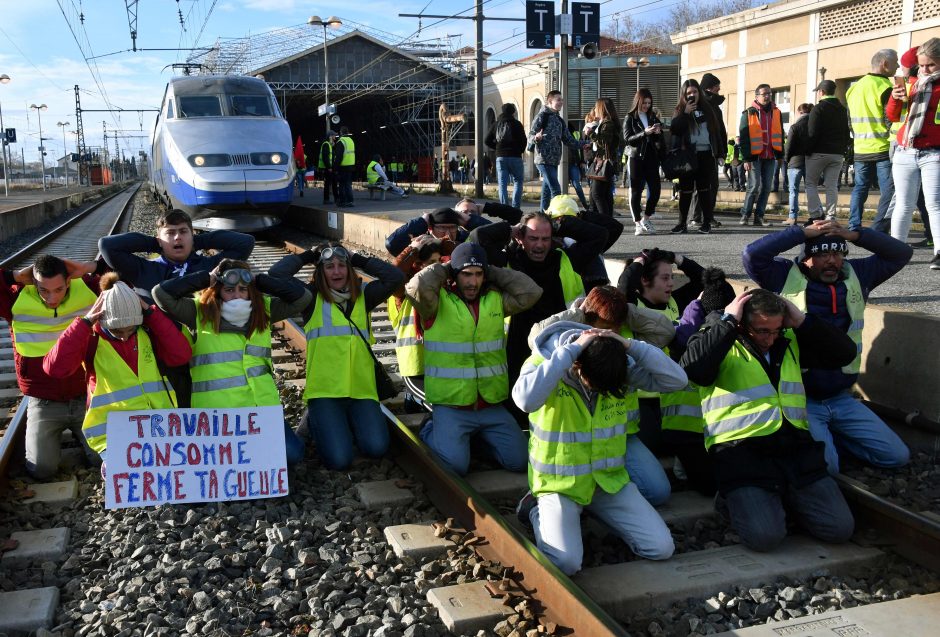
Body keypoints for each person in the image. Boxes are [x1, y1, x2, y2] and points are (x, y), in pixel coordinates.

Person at [680, 289, 857, 552]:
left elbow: (844, 354)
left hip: (795, 449)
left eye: (776, 330)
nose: (770, 339)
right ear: (741, 322)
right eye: (762, 331)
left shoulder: (786, 339)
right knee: (765, 538)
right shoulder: (719, 337)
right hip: (742, 452)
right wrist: (727, 322)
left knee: (839, 529)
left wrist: (802, 321)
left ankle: (780, 499)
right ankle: (732, 499)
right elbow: (692, 370)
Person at [743, 220, 912, 474]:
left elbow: (901, 253)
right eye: (822, 254)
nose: (831, 261)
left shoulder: (859, 274)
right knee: (827, 469)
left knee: (897, 456)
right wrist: (801, 233)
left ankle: (833, 438)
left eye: (837, 253)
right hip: (801, 399)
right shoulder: (782, 276)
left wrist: (855, 235)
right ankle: (822, 443)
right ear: (806, 258)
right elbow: (752, 254)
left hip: (841, 397)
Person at [513, 325, 680, 574]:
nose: (601, 391)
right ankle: (535, 509)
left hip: (608, 483)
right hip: (560, 486)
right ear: (578, 367)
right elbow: (524, 400)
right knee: (566, 564)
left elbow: (677, 379)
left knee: (661, 548)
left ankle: (590, 513)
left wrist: (629, 345)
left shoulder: (615, 365)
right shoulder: (545, 362)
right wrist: (571, 351)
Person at [527, 286, 679, 506]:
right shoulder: (569, 337)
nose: (613, 332)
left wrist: (627, 311)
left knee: (658, 492)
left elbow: (666, 331)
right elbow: (536, 338)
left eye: (618, 326)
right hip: (575, 439)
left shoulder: (623, 336)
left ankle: (612, 495)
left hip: (620, 435)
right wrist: (579, 311)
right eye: (607, 326)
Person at [152, 259, 312, 464]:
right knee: (224, 460)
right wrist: (205, 278)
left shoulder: (263, 310)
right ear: (217, 290)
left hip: (259, 409)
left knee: (293, 454)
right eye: (229, 289)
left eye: (243, 289)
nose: (237, 295)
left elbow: (303, 298)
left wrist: (259, 279)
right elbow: (161, 294)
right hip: (215, 416)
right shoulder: (199, 312)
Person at [406, 243, 541, 475]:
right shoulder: (437, 302)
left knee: (519, 461)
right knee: (456, 466)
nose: (472, 282)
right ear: (455, 275)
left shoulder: (495, 300)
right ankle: (431, 428)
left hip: (490, 403)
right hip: (452, 405)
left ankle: (474, 442)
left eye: (478, 275)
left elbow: (531, 291)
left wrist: (490, 269)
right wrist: (449, 266)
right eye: (466, 274)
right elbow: (416, 286)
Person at [99, 208, 254, 407]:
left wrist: (198, 241)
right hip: (163, 359)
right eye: (170, 233)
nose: (177, 238)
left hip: (207, 356)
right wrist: (154, 243)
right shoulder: (144, 269)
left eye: (183, 232)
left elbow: (244, 242)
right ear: (159, 239)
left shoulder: (210, 266)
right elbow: (107, 245)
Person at [269, 243, 404, 470]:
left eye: (342, 266)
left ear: (350, 270)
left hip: (361, 391)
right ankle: (318, 418)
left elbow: (396, 277)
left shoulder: (365, 296)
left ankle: (337, 423)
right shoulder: (310, 298)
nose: (337, 272)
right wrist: (310, 254)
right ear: (320, 272)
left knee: (376, 448)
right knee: (339, 460)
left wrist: (358, 258)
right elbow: (277, 275)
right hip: (326, 393)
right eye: (329, 266)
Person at [43, 273, 190, 459]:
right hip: (113, 436)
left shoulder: (146, 332)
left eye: (130, 329)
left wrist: (152, 315)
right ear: (102, 319)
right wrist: (85, 323)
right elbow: (54, 369)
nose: (124, 336)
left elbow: (181, 355)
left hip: (159, 428)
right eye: (116, 330)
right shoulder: (91, 339)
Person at [468, 209, 609, 394]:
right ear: (520, 238)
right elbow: (477, 238)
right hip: (516, 346)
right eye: (533, 238)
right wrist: (510, 229)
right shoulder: (507, 260)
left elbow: (600, 235)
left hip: (558, 346)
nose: (540, 245)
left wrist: (557, 225)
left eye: (545, 238)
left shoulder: (565, 259)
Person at [2, 255, 103, 479]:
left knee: (102, 459)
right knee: (42, 470)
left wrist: (89, 267)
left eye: (58, 289)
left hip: (86, 396)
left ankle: (82, 441)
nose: (51, 297)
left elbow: (129, 274)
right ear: (33, 283)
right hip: (44, 400)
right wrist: (14, 275)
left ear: (68, 281)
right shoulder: (16, 296)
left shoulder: (87, 288)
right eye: (44, 290)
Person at [617, 249, 705, 455]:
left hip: (670, 393)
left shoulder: (675, 302)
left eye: (672, 278)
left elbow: (704, 281)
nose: (671, 284)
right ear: (645, 280)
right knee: (654, 446)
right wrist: (639, 261)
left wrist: (677, 258)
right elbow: (623, 288)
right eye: (665, 278)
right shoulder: (631, 306)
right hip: (643, 397)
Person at [887, 37, 940, 270]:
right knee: (903, 204)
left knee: (934, 204)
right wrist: (894, 99)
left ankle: (939, 252)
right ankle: (895, 251)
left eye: (931, 65)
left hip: (934, 153)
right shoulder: (911, 82)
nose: (924, 69)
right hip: (905, 150)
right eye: (922, 65)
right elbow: (892, 115)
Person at [389, 235, 444, 412]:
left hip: (440, 364)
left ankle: (411, 409)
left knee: (417, 404)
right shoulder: (403, 292)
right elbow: (393, 274)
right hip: (415, 367)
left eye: (439, 261)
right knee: (438, 406)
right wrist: (412, 249)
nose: (438, 267)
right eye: (432, 262)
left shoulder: (443, 288)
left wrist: (445, 244)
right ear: (419, 265)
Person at [846, 49, 899, 232]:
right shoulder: (885, 87)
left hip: (861, 148)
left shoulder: (854, 88)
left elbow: (850, 121)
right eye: (896, 62)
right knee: (889, 191)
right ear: (885, 64)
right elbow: (890, 118)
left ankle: (854, 225)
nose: (898, 66)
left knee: (860, 188)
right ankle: (880, 228)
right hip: (882, 148)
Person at [670, 79, 723, 234]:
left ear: (699, 92)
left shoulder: (708, 109)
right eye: (688, 93)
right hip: (688, 155)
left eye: (695, 92)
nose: (692, 95)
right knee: (685, 191)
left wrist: (720, 153)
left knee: (704, 190)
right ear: (684, 95)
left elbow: (716, 132)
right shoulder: (680, 110)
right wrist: (686, 113)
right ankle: (682, 223)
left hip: (706, 154)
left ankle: (706, 222)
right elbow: (675, 129)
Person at [384, 199, 522, 258]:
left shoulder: (465, 239)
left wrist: (472, 219)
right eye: (443, 228)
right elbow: (392, 244)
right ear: (431, 228)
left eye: (452, 228)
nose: (448, 234)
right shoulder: (423, 243)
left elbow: (496, 237)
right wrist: (422, 221)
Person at [739, 84, 785, 227]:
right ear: (757, 96)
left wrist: (780, 155)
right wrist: (746, 158)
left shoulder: (776, 112)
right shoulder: (748, 113)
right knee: (753, 186)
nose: (767, 96)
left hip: (771, 156)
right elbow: (744, 137)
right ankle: (745, 215)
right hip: (755, 156)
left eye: (769, 94)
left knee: (766, 187)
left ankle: (759, 216)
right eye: (764, 94)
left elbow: (780, 133)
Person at [529, 90, 581, 212]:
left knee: (546, 192)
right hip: (543, 160)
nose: (561, 102)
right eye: (558, 100)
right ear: (550, 101)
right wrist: (536, 137)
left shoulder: (559, 120)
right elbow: (530, 135)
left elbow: (569, 140)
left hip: (554, 160)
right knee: (556, 190)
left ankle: (543, 216)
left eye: (562, 100)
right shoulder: (541, 116)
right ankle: (560, 216)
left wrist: (584, 145)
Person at [805, 81, 850, 223]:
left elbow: (812, 132)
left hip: (818, 152)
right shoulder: (842, 109)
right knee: (831, 185)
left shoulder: (818, 109)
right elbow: (846, 132)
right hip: (837, 154)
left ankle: (816, 215)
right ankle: (831, 216)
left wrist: (808, 150)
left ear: (821, 92)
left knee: (811, 183)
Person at [690, 73, 728, 229]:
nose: (719, 91)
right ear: (709, 88)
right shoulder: (701, 105)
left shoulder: (715, 107)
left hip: (713, 151)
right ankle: (695, 217)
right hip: (699, 151)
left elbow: (719, 132)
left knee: (713, 185)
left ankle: (708, 215)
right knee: (699, 186)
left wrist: (721, 152)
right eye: (717, 89)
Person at [624, 89, 665, 236]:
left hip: (651, 157)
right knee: (636, 190)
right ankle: (637, 223)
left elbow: (659, 139)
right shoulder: (630, 117)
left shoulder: (652, 116)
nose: (647, 106)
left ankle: (646, 218)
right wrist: (644, 133)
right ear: (638, 102)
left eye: (649, 103)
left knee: (655, 189)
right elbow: (627, 139)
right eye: (644, 103)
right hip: (635, 157)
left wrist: (658, 132)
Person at [582, 97, 622, 218]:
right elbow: (605, 143)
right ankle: (604, 220)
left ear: (602, 108)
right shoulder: (606, 122)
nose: (595, 109)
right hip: (605, 161)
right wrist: (591, 144)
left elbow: (604, 141)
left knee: (597, 194)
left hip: (604, 162)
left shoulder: (607, 123)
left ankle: (605, 220)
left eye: (596, 107)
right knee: (604, 194)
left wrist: (591, 134)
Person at [784, 103, 813, 226]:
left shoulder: (795, 127)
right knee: (810, 190)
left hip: (795, 163)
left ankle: (792, 217)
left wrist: (786, 159)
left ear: (799, 113)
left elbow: (788, 145)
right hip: (810, 162)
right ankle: (815, 215)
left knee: (793, 191)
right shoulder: (814, 127)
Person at [333, 126, 356, 208]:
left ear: (341, 132)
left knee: (342, 185)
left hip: (343, 167)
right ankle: (350, 201)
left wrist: (335, 168)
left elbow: (339, 156)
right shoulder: (351, 141)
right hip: (350, 166)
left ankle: (342, 201)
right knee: (348, 184)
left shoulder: (341, 142)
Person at [318, 130, 339, 205]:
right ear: (330, 136)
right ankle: (327, 199)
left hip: (330, 168)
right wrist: (329, 167)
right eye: (334, 136)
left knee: (333, 183)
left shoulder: (330, 145)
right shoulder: (326, 144)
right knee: (328, 184)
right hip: (328, 168)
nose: (335, 137)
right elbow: (325, 157)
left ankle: (336, 198)